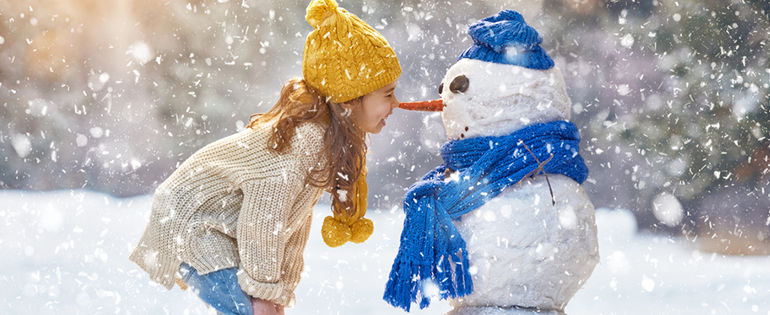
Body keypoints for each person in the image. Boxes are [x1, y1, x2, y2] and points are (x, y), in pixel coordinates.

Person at [128, 0, 401, 314]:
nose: (396, 103)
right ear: (350, 100)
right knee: (250, 309)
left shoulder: (325, 141)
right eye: (388, 93)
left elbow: (293, 224)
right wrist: (263, 291)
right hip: (193, 221)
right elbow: (264, 219)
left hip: (218, 226)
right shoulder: (307, 140)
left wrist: (278, 293)